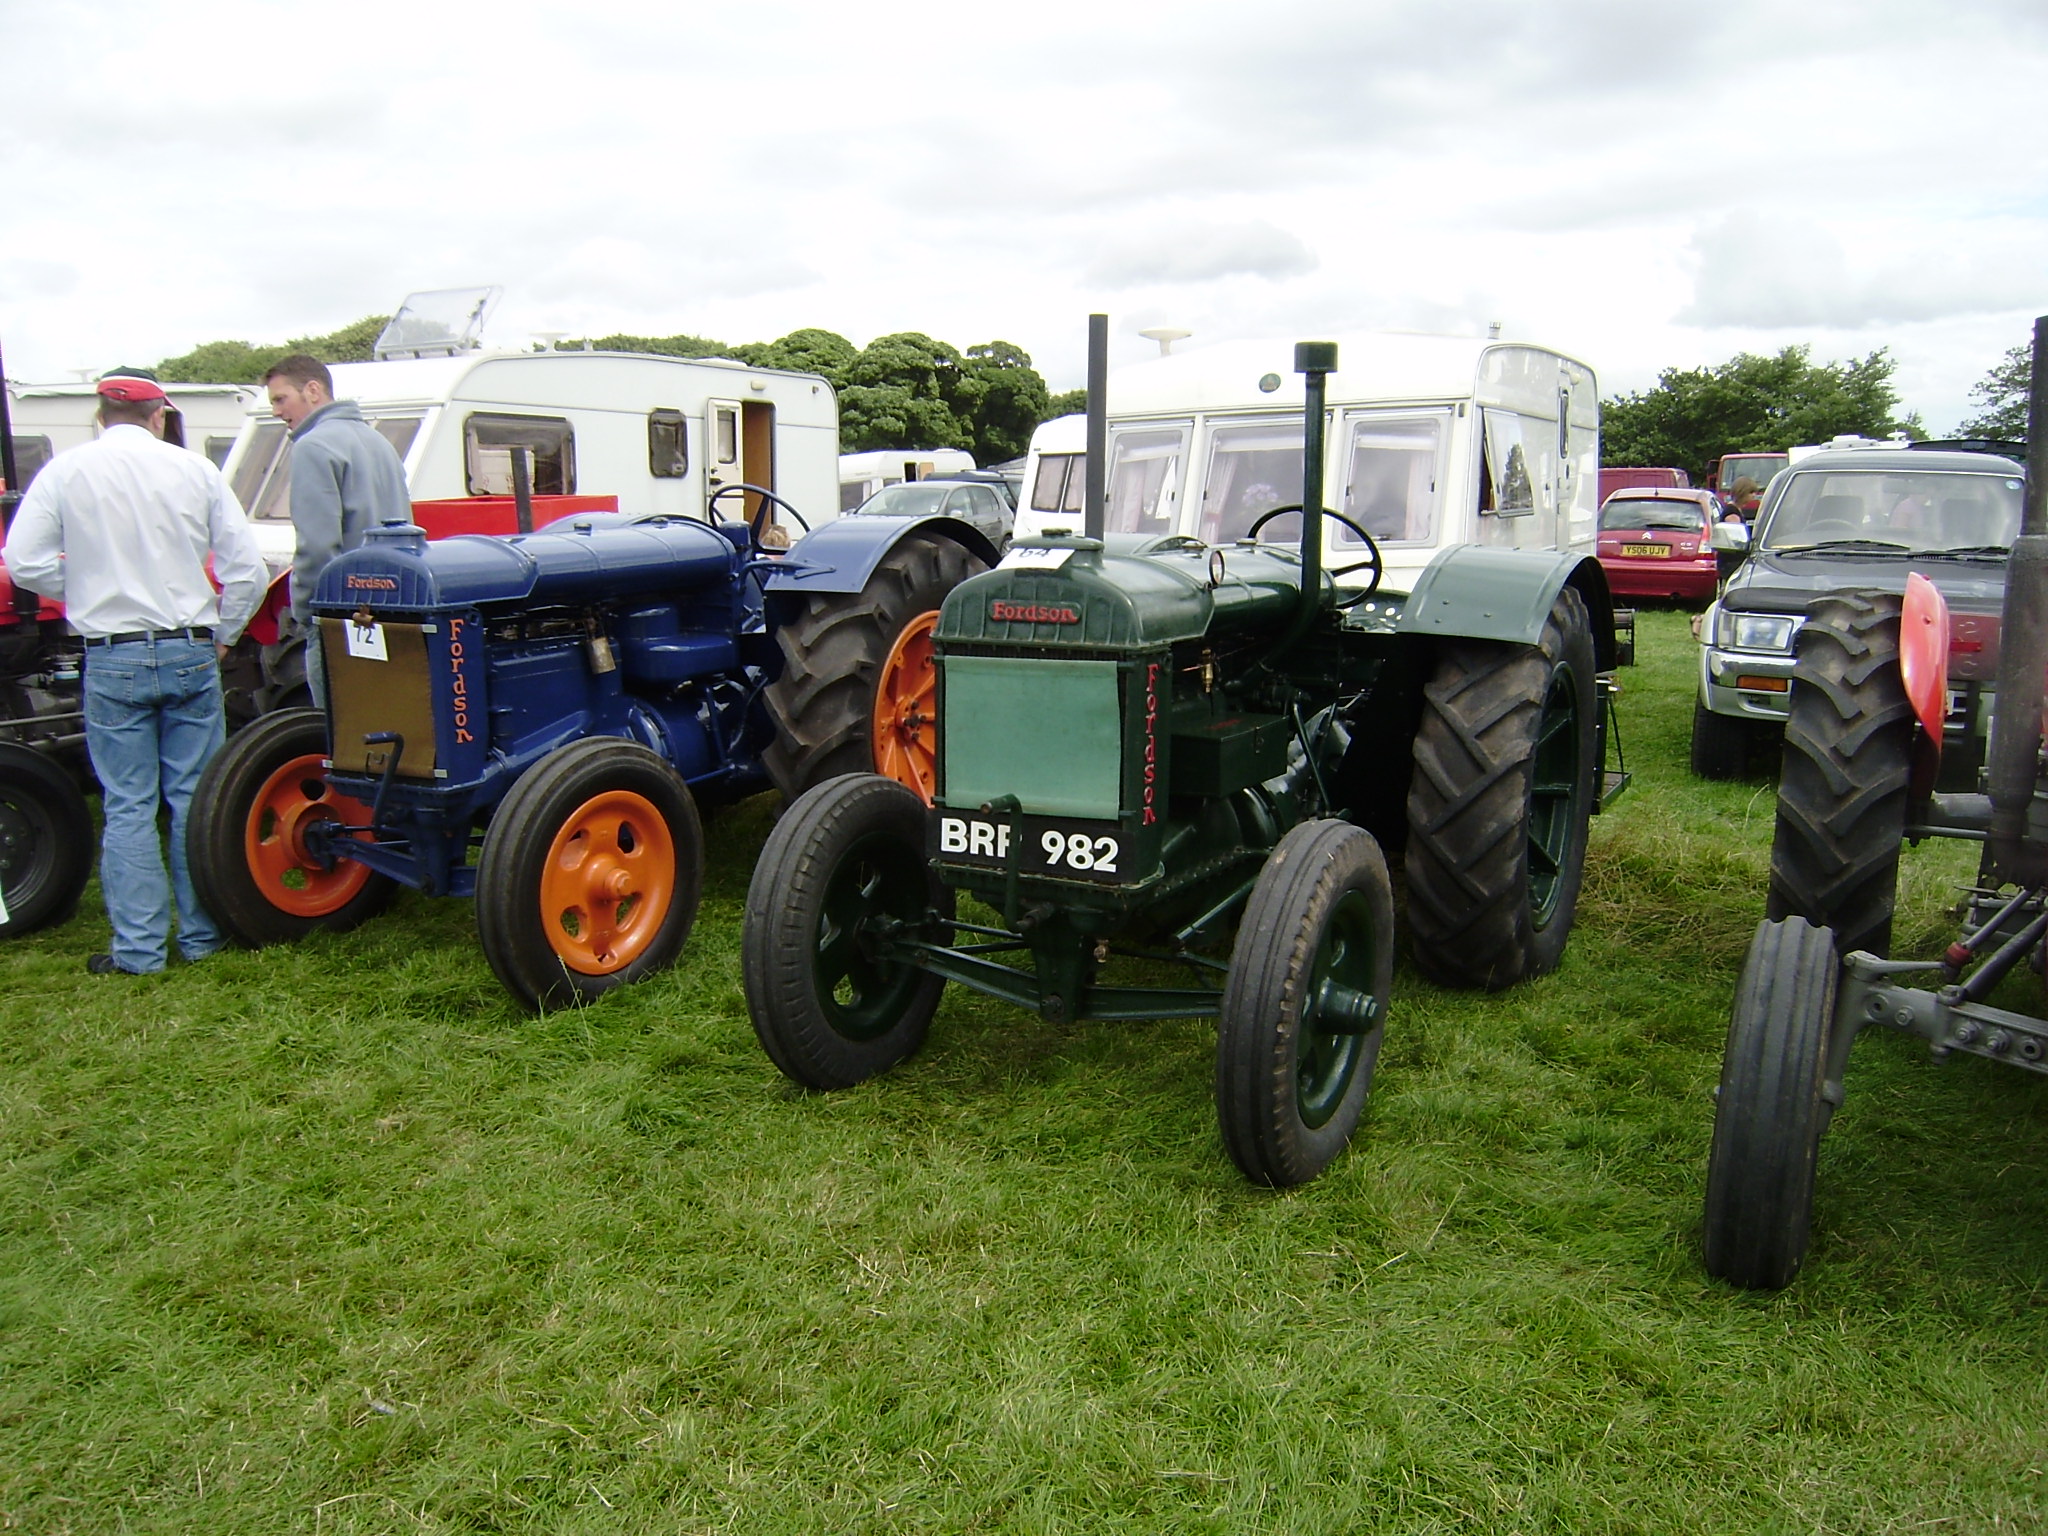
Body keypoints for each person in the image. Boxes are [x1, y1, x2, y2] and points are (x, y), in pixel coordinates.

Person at [1, 369, 268, 974]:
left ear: (100, 416)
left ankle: (140, 952)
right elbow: (246, 569)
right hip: (189, 646)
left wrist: (84, 594)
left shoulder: (66, 470)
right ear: (158, 416)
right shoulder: (194, 469)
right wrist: (224, 635)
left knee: (127, 805)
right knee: (193, 798)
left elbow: (23, 562)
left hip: (114, 652)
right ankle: (202, 938)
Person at [261, 354, 409, 705]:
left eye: (281, 399)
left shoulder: (313, 446)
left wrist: (305, 613)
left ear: (313, 390)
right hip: (394, 609)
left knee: (342, 730)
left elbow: (317, 546)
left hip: (340, 615)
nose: (277, 412)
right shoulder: (379, 443)